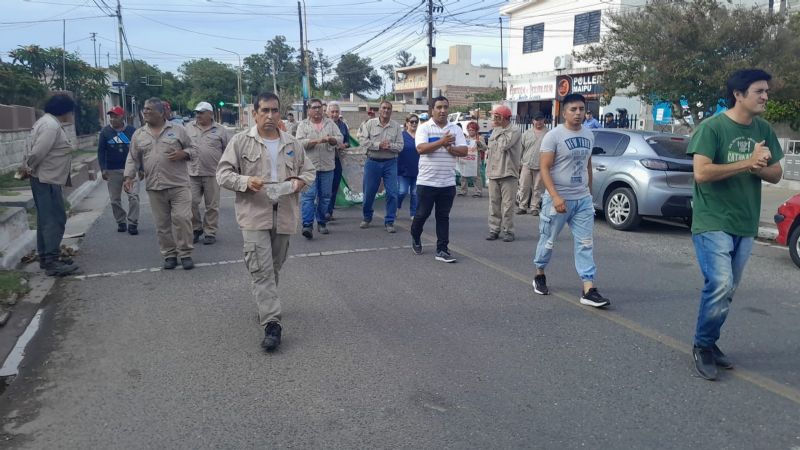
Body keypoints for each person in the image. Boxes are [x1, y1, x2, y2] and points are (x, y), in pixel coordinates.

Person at [687, 69, 783, 381]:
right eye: (759, 91)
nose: (766, 96)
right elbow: (701, 173)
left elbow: (777, 174)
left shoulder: (764, 129)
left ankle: (710, 342)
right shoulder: (712, 128)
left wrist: (758, 167)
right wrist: (748, 162)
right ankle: (703, 346)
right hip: (712, 218)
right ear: (739, 94)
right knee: (721, 283)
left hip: (745, 221)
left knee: (728, 290)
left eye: (766, 91)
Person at [216, 92, 316, 352]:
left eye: (275, 111)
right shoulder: (240, 142)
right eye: (265, 111)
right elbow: (223, 174)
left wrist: (299, 182)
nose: (270, 116)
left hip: (284, 214)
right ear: (255, 112)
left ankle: (265, 305)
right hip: (254, 213)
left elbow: (309, 170)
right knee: (261, 269)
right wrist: (245, 181)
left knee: (274, 266)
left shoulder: (292, 143)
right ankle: (272, 323)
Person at [532, 93, 610, 308]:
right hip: (558, 199)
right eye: (573, 109)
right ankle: (539, 273)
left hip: (582, 199)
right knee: (548, 241)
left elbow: (587, 164)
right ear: (564, 112)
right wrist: (556, 196)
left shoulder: (589, 134)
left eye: (581, 109)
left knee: (585, 244)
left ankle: (589, 288)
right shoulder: (553, 136)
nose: (578, 113)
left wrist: (589, 193)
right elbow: (544, 168)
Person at [124, 98, 196, 270]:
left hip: (178, 184)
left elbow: (194, 150)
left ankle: (185, 253)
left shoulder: (178, 130)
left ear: (161, 112)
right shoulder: (139, 134)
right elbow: (132, 158)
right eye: (144, 109)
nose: (145, 112)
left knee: (182, 218)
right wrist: (128, 177)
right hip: (155, 187)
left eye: (149, 109)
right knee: (162, 224)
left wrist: (183, 154)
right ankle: (169, 254)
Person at [25, 93, 79, 276]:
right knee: (53, 220)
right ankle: (51, 261)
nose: (71, 115)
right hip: (47, 178)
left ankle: (47, 257)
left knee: (46, 219)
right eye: (70, 111)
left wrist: (28, 168)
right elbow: (39, 151)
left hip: (46, 177)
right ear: (64, 111)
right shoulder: (50, 126)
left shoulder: (46, 122)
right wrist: (27, 167)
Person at [411, 96, 468, 262]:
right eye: (439, 107)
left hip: (447, 182)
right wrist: (442, 141)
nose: (443, 110)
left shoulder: (455, 129)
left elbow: (464, 150)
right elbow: (421, 149)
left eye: (445, 107)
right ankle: (415, 235)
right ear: (432, 110)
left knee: (443, 216)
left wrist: (450, 148)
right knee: (422, 214)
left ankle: (442, 249)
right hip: (427, 182)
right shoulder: (424, 128)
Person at [295, 98, 342, 238]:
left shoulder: (330, 123)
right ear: (309, 110)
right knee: (308, 197)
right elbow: (298, 143)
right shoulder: (303, 125)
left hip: (327, 167)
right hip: (309, 168)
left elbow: (340, 138)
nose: (317, 110)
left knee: (325, 197)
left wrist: (332, 140)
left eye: (319, 107)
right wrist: (317, 141)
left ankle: (321, 222)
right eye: (314, 107)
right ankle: (307, 225)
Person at [187, 101, 229, 245]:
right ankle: (196, 228)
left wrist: (227, 168)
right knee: (191, 203)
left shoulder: (221, 130)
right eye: (197, 113)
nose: (198, 115)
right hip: (192, 172)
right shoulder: (188, 128)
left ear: (210, 114)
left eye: (201, 112)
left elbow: (227, 151)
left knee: (212, 205)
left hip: (213, 173)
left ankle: (210, 231)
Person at [357, 100, 404, 233]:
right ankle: (367, 217)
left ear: (391, 111)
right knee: (369, 193)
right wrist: (378, 145)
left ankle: (389, 221)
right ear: (379, 110)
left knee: (393, 193)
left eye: (389, 108)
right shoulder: (370, 124)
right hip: (373, 162)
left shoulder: (396, 127)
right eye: (384, 108)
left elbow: (400, 146)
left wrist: (389, 146)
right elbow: (363, 141)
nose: (386, 110)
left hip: (390, 163)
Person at [98, 106, 140, 235]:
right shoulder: (105, 132)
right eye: (111, 116)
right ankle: (121, 221)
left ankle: (133, 223)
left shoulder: (132, 131)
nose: (112, 119)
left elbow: (139, 151)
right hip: (112, 169)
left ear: (122, 116)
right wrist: (103, 169)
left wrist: (142, 168)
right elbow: (101, 151)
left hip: (131, 170)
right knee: (115, 199)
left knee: (133, 197)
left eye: (115, 116)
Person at [485, 105, 522, 242]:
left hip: (508, 173)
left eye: (496, 116)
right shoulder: (495, 130)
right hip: (494, 172)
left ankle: (509, 230)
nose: (493, 119)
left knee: (508, 205)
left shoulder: (514, 130)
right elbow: (492, 149)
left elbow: (504, 145)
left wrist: (498, 127)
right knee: (494, 204)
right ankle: (494, 229)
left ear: (502, 117)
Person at [516, 112, 547, 215]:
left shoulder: (548, 133)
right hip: (526, 164)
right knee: (524, 186)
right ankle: (522, 206)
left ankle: (534, 207)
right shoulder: (526, 133)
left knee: (537, 188)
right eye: (536, 120)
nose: (538, 122)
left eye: (540, 119)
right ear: (533, 121)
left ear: (544, 120)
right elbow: (521, 148)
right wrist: (518, 163)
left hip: (541, 165)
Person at [326, 101, 350, 221]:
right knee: (324, 188)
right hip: (324, 161)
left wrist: (343, 145)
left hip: (337, 160)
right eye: (332, 112)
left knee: (334, 187)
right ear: (327, 112)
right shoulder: (323, 124)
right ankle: (322, 212)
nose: (335, 114)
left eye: (336, 112)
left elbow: (348, 142)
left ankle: (329, 212)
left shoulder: (343, 126)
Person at [397, 114, 420, 218]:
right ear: (407, 123)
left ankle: (413, 213)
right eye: (412, 121)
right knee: (402, 191)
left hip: (418, 169)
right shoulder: (401, 135)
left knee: (415, 193)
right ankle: (396, 206)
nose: (414, 123)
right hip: (403, 169)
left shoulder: (421, 135)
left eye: (416, 121)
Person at [458, 121, 486, 198]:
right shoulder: (466, 138)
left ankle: (478, 192)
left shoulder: (479, 138)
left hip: (476, 160)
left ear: (476, 130)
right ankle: (463, 191)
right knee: (463, 175)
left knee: (476, 176)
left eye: (472, 130)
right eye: (469, 130)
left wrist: (479, 143)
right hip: (466, 159)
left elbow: (485, 148)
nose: (470, 131)